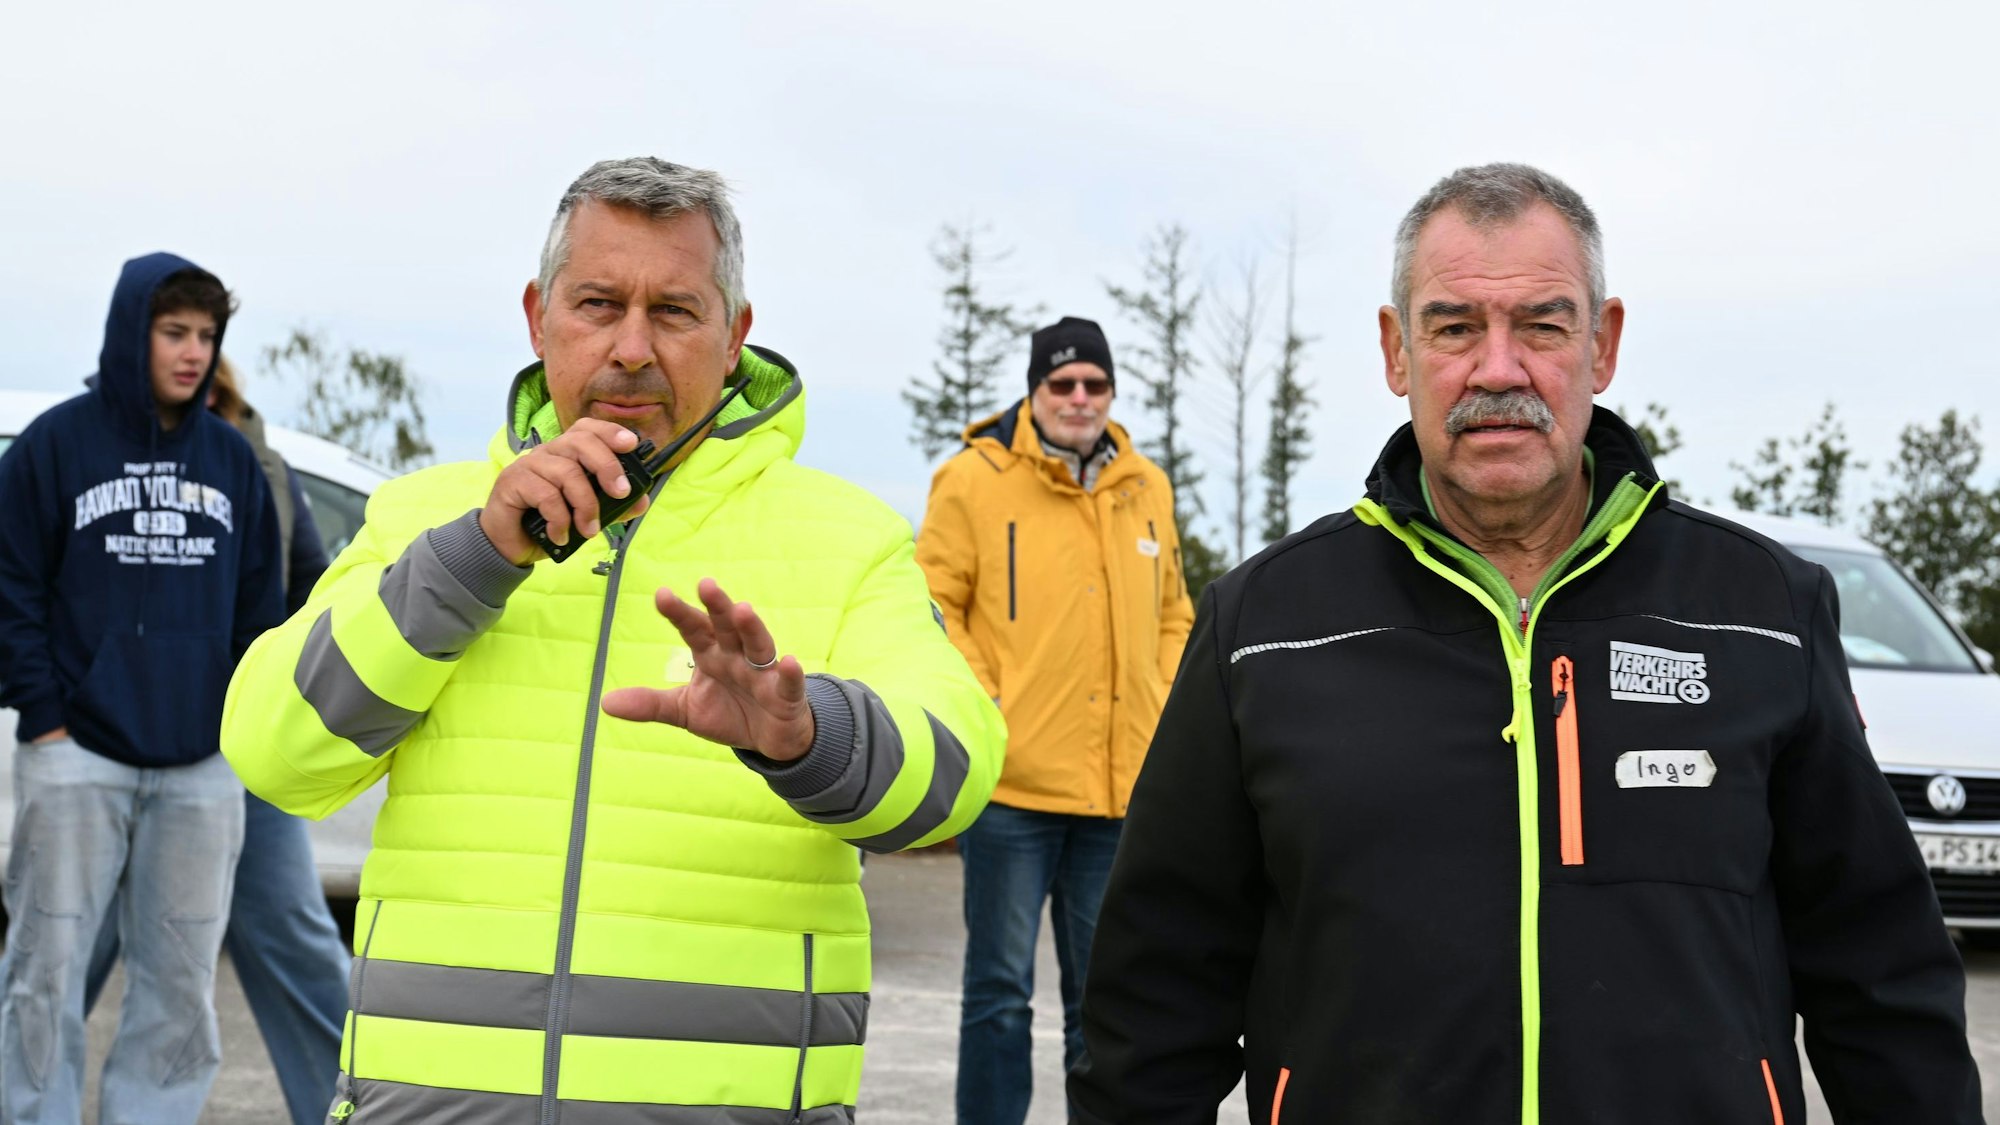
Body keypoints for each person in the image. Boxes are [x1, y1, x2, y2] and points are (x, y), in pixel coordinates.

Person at [1069, 163, 1983, 1124]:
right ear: (1396, 350)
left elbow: (1879, 976)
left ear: (1602, 343)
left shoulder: (1763, 610)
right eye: (1455, 326)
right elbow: (1153, 1004)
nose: (1497, 369)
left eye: (1542, 325)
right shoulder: (1265, 629)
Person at [220, 157, 1005, 1123]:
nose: (632, 345)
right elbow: (270, 750)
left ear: (735, 334)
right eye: (597, 303)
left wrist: (808, 739)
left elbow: (958, 772)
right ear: (537, 316)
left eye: (675, 311)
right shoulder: (424, 519)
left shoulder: (848, 536)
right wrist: (470, 561)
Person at [0, 255, 284, 1123]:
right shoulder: (56, 443)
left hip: (201, 767)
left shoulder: (232, 462)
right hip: (76, 753)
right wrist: (44, 716)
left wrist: (235, 730)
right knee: (45, 969)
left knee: (182, 980)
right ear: (135, 333)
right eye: (175, 333)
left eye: (206, 335)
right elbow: (11, 585)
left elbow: (258, 608)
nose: (193, 352)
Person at [915, 316, 1191, 1125]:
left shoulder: (1148, 487)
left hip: (1116, 792)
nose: (1079, 398)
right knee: (999, 995)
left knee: (1102, 1003)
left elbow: (1174, 611)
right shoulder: (972, 479)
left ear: (1110, 392)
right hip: (1011, 787)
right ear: (1034, 393)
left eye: (1093, 384)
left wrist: (1160, 688)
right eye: (1061, 384)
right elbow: (932, 602)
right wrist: (988, 696)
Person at [79, 356, 351, 1125]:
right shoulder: (96, 456)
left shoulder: (256, 461)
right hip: (115, 748)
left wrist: (264, 677)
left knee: (294, 938)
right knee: (71, 950)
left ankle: (350, 1108)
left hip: (237, 753)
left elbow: (313, 587)